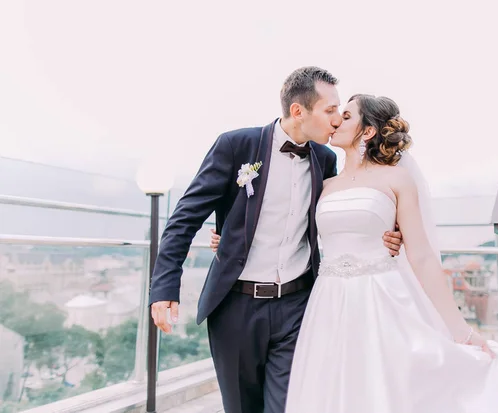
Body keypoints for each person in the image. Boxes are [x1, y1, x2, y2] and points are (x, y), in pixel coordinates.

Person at [148, 67, 402, 413]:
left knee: (288, 406)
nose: (335, 120)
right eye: (329, 111)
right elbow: (185, 218)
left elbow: (344, 210)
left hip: (298, 307)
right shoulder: (236, 145)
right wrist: (164, 288)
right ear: (299, 111)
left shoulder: (325, 160)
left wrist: (386, 234)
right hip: (236, 306)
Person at [281, 94, 498, 412]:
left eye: (346, 115)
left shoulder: (396, 179)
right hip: (329, 303)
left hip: (381, 298)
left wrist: (461, 331)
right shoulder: (326, 184)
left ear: (367, 131)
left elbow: (422, 256)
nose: (336, 121)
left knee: (388, 388)